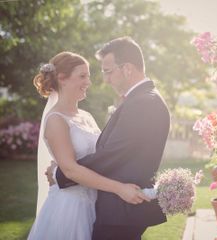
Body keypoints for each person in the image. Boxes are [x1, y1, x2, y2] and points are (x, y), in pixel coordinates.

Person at [50, 36, 171, 240]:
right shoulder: (143, 99)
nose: (105, 79)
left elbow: (111, 155)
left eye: (108, 71)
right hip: (121, 209)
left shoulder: (142, 103)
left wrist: (61, 173)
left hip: (121, 212)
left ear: (127, 69)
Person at [28, 51, 149, 240]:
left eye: (89, 76)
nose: (88, 82)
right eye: (82, 76)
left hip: (97, 203)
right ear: (62, 78)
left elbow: (103, 154)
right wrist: (119, 188)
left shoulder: (86, 116)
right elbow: (71, 171)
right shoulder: (56, 120)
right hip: (70, 209)